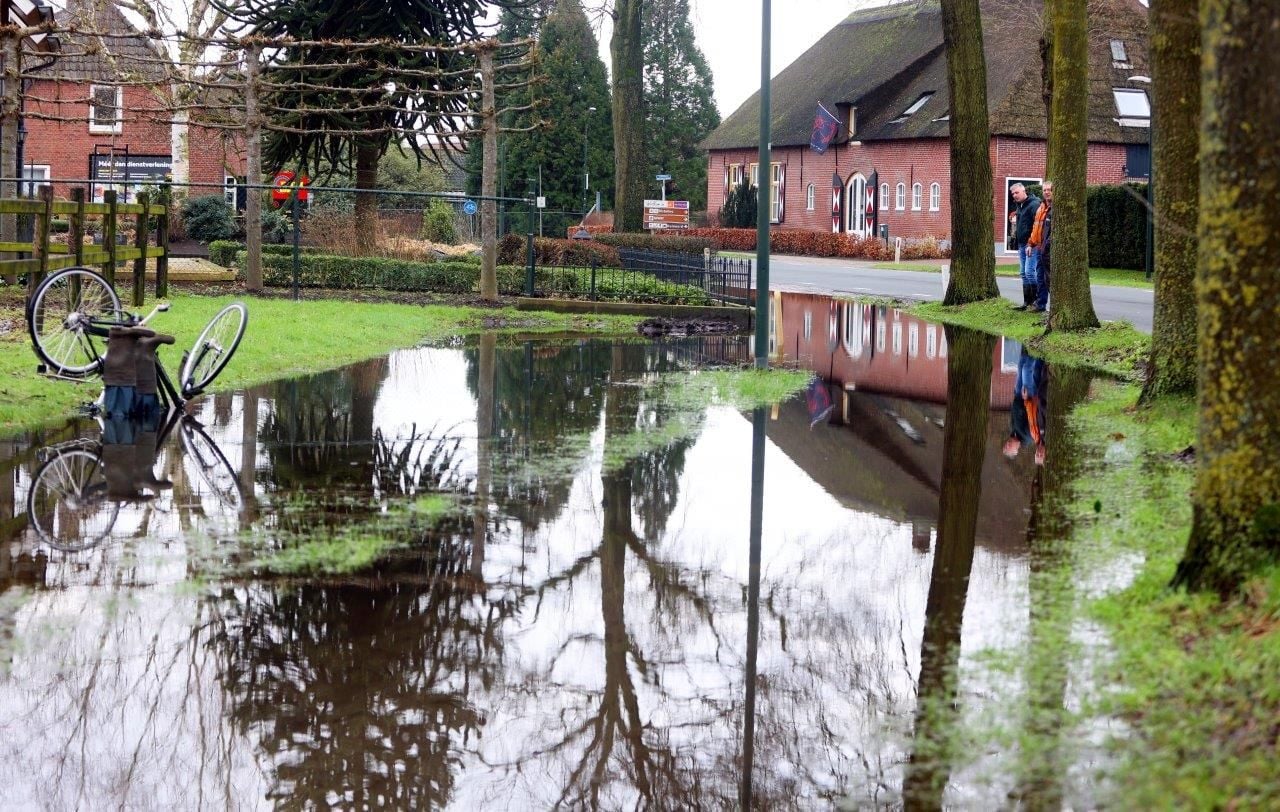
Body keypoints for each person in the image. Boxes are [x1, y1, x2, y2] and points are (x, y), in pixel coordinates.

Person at [1003, 346, 1048, 466]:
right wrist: (1026, 399)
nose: (1007, 444)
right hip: (1027, 396)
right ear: (1016, 450)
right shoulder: (1028, 436)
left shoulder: (1013, 430)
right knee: (1027, 370)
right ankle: (1037, 346)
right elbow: (1030, 414)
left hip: (1018, 395)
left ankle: (1029, 347)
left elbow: (1014, 412)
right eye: (1009, 447)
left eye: (1005, 446)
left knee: (1021, 365)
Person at [1009, 183, 1042, 310]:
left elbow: (1037, 226)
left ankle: (1035, 303)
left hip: (1031, 244)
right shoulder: (1019, 206)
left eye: (1017, 192)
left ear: (1024, 191)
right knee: (1023, 273)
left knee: (1029, 272)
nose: (1015, 195)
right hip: (1022, 244)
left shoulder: (1034, 204)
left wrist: (1031, 243)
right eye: (1013, 194)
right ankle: (1026, 303)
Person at [1026, 181, 1054, 313]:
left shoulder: (1055, 209)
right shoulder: (1041, 207)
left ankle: (1055, 305)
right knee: (1040, 277)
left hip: (1048, 250)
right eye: (1045, 190)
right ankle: (1040, 304)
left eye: (1049, 189)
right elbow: (1035, 228)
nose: (1047, 192)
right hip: (1038, 248)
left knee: (1049, 278)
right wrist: (1030, 243)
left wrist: (1046, 246)